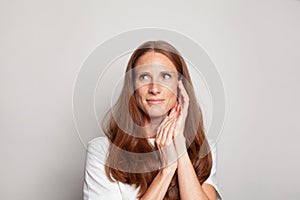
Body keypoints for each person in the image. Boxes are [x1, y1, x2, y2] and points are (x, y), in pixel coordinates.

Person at [83, 40, 222, 200]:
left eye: (165, 76)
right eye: (144, 77)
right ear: (132, 87)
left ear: (180, 87)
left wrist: (180, 150)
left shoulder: (203, 148)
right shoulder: (102, 151)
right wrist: (167, 169)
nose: (155, 89)